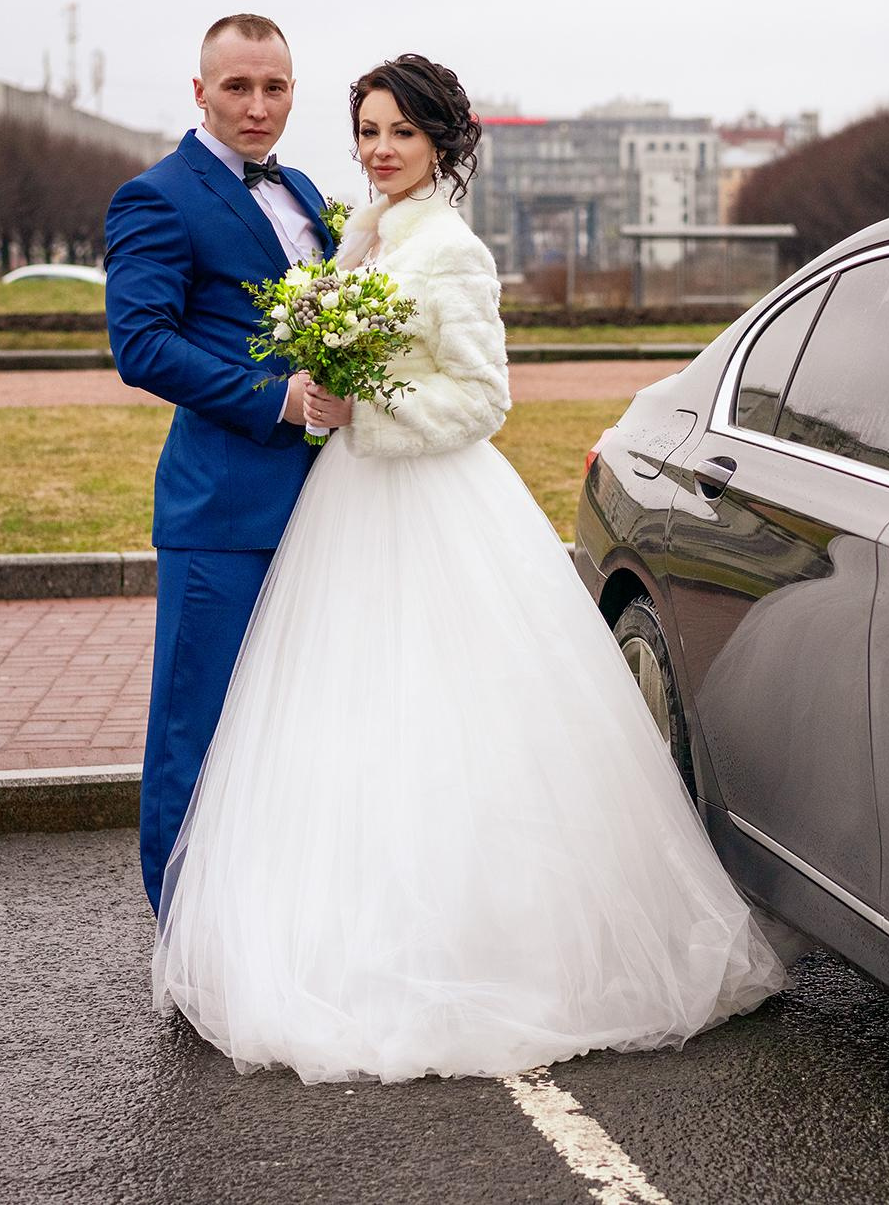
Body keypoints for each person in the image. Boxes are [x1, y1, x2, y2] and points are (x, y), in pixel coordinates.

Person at [150, 54, 786, 1083]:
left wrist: (370, 408)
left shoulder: (447, 248)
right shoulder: (366, 232)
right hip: (347, 504)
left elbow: (482, 400)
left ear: (442, 142)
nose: (379, 149)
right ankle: (354, 935)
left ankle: (480, 947)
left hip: (428, 500)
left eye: (400, 131)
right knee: (347, 719)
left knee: (452, 718)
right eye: (366, 130)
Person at [104, 15, 348, 913]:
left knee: (291, 724)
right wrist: (271, 398)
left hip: (326, 504)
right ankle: (182, 932)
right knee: (194, 730)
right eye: (237, 87)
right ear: (199, 91)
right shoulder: (156, 196)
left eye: (274, 87)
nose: (257, 105)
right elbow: (141, 345)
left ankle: (267, 923)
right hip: (222, 512)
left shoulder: (307, 189)